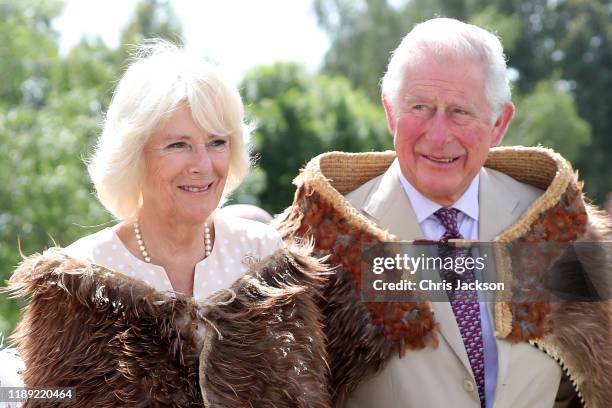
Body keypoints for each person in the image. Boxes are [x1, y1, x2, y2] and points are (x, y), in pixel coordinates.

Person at [278, 18, 610, 408]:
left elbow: (589, 376)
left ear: (499, 123)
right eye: (420, 107)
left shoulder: (556, 224)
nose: (437, 136)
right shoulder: (321, 236)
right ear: (390, 112)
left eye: (460, 112)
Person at [6, 41, 330, 407]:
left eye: (217, 142)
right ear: (134, 154)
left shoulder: (266, 260)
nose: (203, 165)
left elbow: (302, 395)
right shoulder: (79, 283)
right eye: (178, 144)